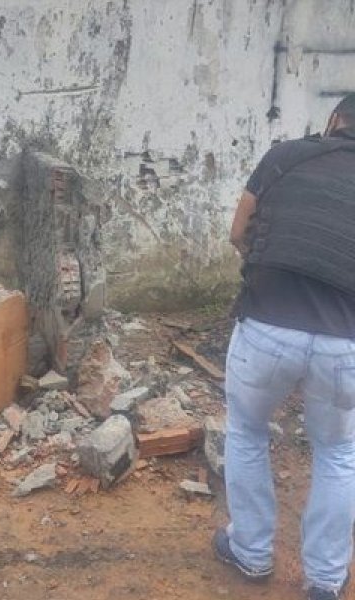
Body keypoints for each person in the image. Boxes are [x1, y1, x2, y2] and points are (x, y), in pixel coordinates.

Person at [216, 93, 355, 600]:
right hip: (346, 342)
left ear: (335, 121)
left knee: (248, 431)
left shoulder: (285, 156)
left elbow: (238, 233)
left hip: (267, 325)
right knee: (339, 452)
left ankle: (251, 553)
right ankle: (325, 581)